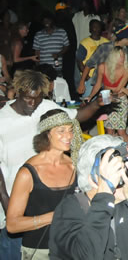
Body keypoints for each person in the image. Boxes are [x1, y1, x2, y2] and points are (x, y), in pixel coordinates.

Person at [49, 134, 128, 260]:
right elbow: (86, 255)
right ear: (93, 180)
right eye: (117, 172)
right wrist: (104, 196)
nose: (126, 176)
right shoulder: (68, 211)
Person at [5, 110, 80, 259]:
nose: (69, 136)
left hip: (73, 247)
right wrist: (53, 216)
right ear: (47, 134)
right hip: (40, 251)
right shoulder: (28, 173)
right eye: (61, 131)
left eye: (70, 130)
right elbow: (12, 225)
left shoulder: (75, 164)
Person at [33, 13, 70, 77]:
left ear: (52, 21)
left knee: (58, 85)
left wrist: (58, 54)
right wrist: (37, 66)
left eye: (48, 20)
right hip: (43, 68)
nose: (46, 22)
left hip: (57, 67)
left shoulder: (61, 32)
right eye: (44, 21)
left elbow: (67, 46)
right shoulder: (38, 35)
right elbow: (37, 52)